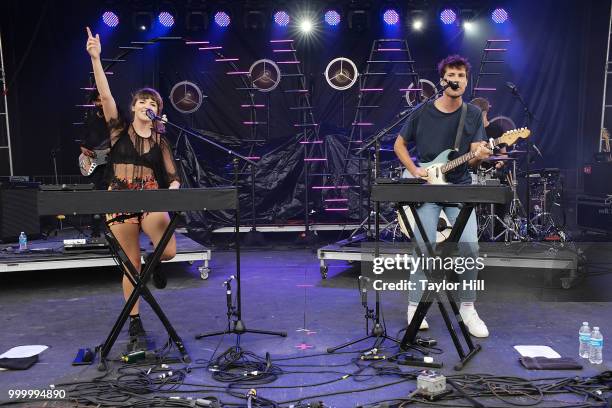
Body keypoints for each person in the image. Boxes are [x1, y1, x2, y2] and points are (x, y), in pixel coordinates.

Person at [86, 27, 180, 339]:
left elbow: (173, 178)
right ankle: (135, 321)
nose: (145, 104)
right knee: (131, 265)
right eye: (141, 100)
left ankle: (155, 264)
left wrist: (174, 194)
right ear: (134, 107)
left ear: (157, 111)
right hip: (120, 199)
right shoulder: (118, 131)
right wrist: (96, 59)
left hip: (152, 199)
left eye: (150, 101)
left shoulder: (161, 142)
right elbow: (106, 94)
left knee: (167, 252)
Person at [393, 55, 492, 338]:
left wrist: (480, 155)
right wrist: (414, 170)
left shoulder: (472, 114)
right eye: (452, 74)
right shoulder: (423, 111)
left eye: (462, 75)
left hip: (459, 188)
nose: (457, 79)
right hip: (426, 189)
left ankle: (468, 308)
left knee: (470, 247)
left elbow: (473, 157)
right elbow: (399, 144)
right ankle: (415, 306)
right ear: (442, 80)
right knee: (423, 248)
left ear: (466, 81)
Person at [80, 89, 110, 237]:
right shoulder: (90, 119)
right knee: (95, 196)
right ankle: (96, 230)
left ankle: (112, 230)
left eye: (102, 100)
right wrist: (83, 148)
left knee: (110, 196)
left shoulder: (113, 118)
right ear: (93, 102)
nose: (100, 103)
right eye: (97, 101)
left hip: (110, 163)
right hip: (94, 162)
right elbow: (83, 139)